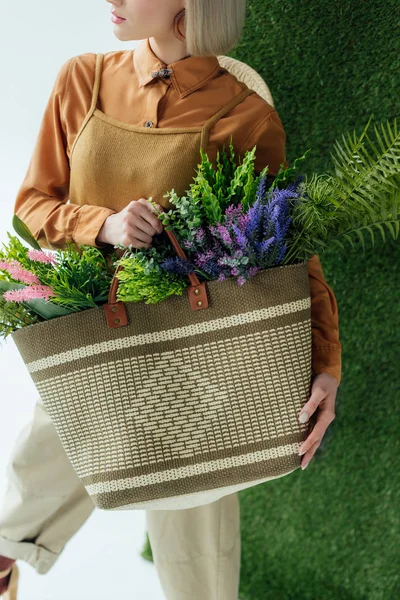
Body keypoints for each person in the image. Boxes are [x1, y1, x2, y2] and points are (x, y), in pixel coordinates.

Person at [0, 0, 342, 598]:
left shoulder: (244, 113)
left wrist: (328, 362)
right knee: (55, 436)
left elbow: (289, 245)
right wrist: (101, 226)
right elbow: (31, 206)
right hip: (92, 335)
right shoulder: (85, 78)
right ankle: (5, 551)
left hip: (199, 352)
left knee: (197, 501)